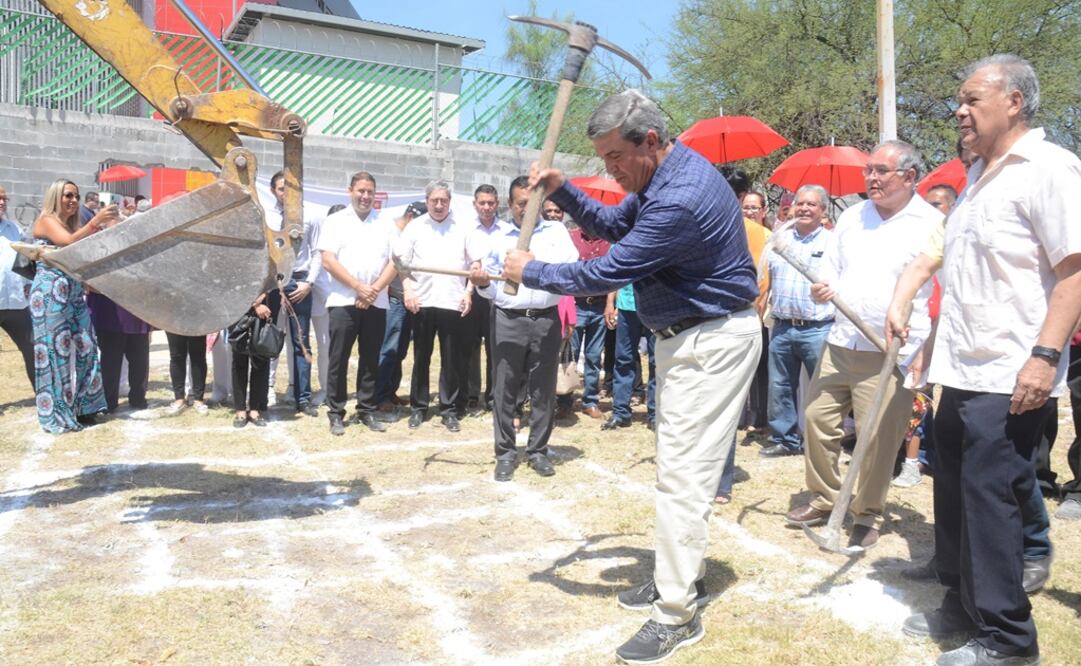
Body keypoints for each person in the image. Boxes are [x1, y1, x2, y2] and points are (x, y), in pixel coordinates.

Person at [503, 89, 761, 665]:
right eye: (603, 159)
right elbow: (612, 224)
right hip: (686, 338)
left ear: (650, 141)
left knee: (684, 480)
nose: (610, 170)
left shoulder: (681, 198)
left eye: (615, 157)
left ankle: (675, 613)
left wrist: (534, 269)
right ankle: (678, 576)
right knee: (676, 469)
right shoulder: (657, 181)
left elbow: (609, 268)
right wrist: (562, 190)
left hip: (713, 340)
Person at [890, 55, 1081, 666]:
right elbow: (953, 264)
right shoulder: (976, 177)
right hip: (961, 366)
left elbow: (1074, 272)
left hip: (1011, 370)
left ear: (1015, 102)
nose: (960, 111)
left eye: (973, 99)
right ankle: (962, 603)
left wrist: (1044, 356)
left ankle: (1007, 638)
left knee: (990, 499)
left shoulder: (1050, 169)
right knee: (952, 487)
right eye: (960, 100)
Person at [784, 140, 940, 552]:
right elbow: (831, 268)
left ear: (909, 177)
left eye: (881, 171)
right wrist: (824, 288)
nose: (871, 178)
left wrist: (924, 350)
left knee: (877, 437)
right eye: (868, 170)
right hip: (842, 340)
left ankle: (867, 513)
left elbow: (943, 292)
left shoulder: (930, 223)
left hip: (890, 351)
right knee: (817, 419)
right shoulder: (852, 217)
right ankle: (826, 497)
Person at [468, 176, 578, 481]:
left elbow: (569, 267)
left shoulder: (556, 232)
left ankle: (538, 451)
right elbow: (489, 285)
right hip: (508, 318)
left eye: (531, 205)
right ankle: (505, 453)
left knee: (543, 389)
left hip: (546, 318)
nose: (525, 211)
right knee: (504, 388)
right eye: (520, 205)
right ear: (509, 204)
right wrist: (483, 284)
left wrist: (535, 265)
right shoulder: (498, 236)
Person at [29, 179, 117, 432]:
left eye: (76, 196)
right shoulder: (47, 220)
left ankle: (86, 407)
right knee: (55, 354)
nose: (73, 200)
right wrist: (96, 220)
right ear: (56, 196)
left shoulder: (74, 224)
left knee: (87, 347)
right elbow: (67, 242)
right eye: (68, 195)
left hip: (74, 294)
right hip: (49, 294)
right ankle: (56, 414)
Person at [318, 171, 396, 436]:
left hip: (376, 300)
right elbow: (328, 260)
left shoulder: (385, 223)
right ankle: (336, 412)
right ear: (350, 190)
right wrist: (358, 288)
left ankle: (366, 408)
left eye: (370, 192)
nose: (365, 196)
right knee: (338, 359)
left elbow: (395, 262)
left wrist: (372, 291)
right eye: (360, 191)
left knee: (370, 358)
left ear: (375, 195)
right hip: (343, 300)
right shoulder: (336, 221)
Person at [759, 184, 835, 458]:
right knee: (779, 386)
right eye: (800, 203)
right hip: (781, 325)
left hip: (818, 328)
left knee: (823, 389)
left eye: (811, 204)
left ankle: (821, 442)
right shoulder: (780, 240)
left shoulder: (832, 243)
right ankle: (785, 440)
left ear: (823, 212)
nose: (803, 208)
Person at [395, 180, 473, 432]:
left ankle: (448, 409)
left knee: (451, 360)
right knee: (421, 357)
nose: (439, 205)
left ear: (449, 201)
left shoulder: (463, 227)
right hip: (422, 302)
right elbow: (400, 263)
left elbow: (475, 265)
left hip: (452, 301)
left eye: (443, 200)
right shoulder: (415, 227)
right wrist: (407, 290)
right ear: (427, 200)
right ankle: (418, 407)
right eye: (434, 200)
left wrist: (469, 292)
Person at [269, 170, 320, 417]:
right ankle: (264, 392)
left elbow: (318, 251)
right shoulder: (266, 215)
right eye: (281, 189)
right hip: (271, 283)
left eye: (289, 189)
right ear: (273, 191)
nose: (285, 193)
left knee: (301, 342)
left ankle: (303, 398)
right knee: (266, 338)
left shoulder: (310, 215)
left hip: (299, 283)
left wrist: (309, 282)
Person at [374, 201, 426, 416]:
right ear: (412, 218)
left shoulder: (410, 233)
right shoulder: (392, 233)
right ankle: (380, 396)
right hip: (395, 298)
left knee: (401, 350)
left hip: (411, 299)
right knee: (389, 348)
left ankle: (390, 390)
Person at [564, 220, 610, 420]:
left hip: (599, 306)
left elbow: (613, 275)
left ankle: (590, 401)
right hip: (577, 304)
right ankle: (564, 401)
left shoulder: (608, 241)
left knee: (593, 357)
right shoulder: (571, 237)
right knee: (569, 355)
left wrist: (610, 304)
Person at [465, 184, 501, 413]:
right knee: (470, 347)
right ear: (475, 204)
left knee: (496, 347)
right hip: (472, 294)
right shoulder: (466, 229)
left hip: (498, 296)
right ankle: (470, 395)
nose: (486, 207)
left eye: (491, 203)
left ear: (497, 204)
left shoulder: (506, 230)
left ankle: (493, 396)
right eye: (482, 203)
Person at [603, 284, 655, 430]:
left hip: (654, 306)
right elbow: (617, 275)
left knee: (656, 362)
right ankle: (621, 414)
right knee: (623, 359)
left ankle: (655, 415)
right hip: (626, 307)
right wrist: (609, 303)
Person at [87, 292, 150, 412]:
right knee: (110, 362)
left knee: (139, 360)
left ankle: (138, 398)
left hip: (136, 313)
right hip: (108, 313)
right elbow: (89, 285)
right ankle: (109, 401)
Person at [0, 184, 35, 389]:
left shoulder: (14, 229)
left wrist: (29, 283)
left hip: (16, 303)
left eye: (4, 198)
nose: (2, 202)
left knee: (32, 348)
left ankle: (43, 397)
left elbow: (24, 259)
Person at [231, 288, 280, 428]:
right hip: (238, 302)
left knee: (261, 357)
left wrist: (259, 301)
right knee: (239, 359)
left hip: (267, 302)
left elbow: (273, 277)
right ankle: (240, 409)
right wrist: (255, 304)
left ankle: (255, 409)